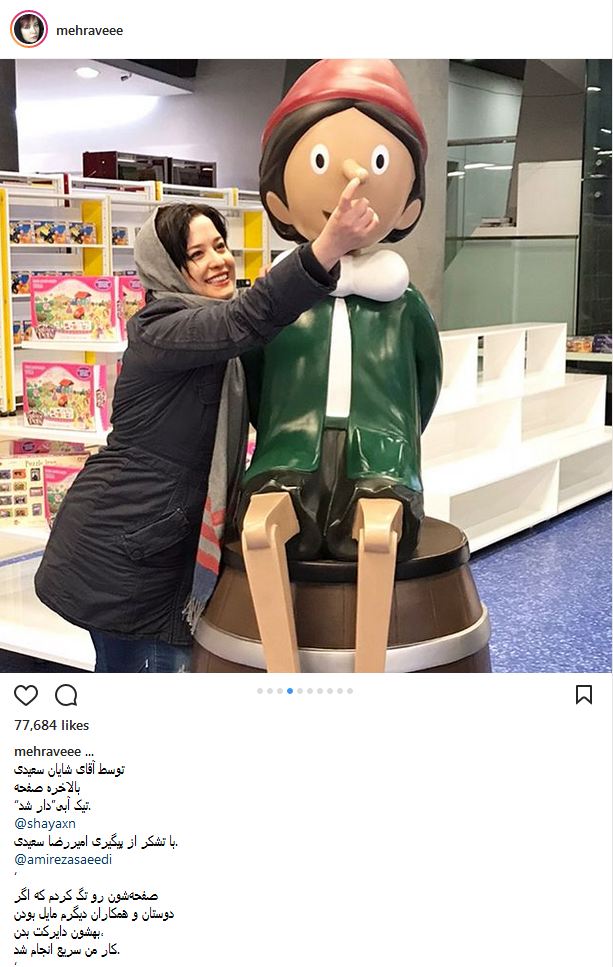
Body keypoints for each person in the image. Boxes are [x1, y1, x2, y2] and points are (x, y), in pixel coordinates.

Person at [34, 187, 378, 672]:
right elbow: (248, 319)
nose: (218, 261)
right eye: (196, 254)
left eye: (219, 245)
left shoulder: (207, 330)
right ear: (166, 268)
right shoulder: (162, 329)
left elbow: (251, 326)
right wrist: (328, 245)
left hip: (151, 538)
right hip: (125, 546)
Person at [238, 59, 442, 561]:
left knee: (378, 535)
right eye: (321, 161)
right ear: (278, 201)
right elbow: (253, 377)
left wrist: (398, 434)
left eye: (378, 163)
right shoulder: (274, 302)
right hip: (287, 450)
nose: (354, 179)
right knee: (268, 532)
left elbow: (426, 382)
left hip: (382, 454)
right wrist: (277, 428)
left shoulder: (405, 305)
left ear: (409, 207)